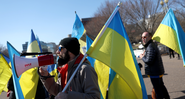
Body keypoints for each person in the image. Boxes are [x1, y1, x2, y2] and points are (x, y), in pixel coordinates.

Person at [139, 32, 170, 99]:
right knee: (161, 87)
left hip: (154, 72)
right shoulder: (150, 45)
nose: (143, 39)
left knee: (158, 90)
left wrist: (142, 57)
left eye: (145, 37)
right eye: (142, 37)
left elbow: (149, 61)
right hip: (156, 71)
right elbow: (151, 57)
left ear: (150, 37)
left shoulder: (150, 46)